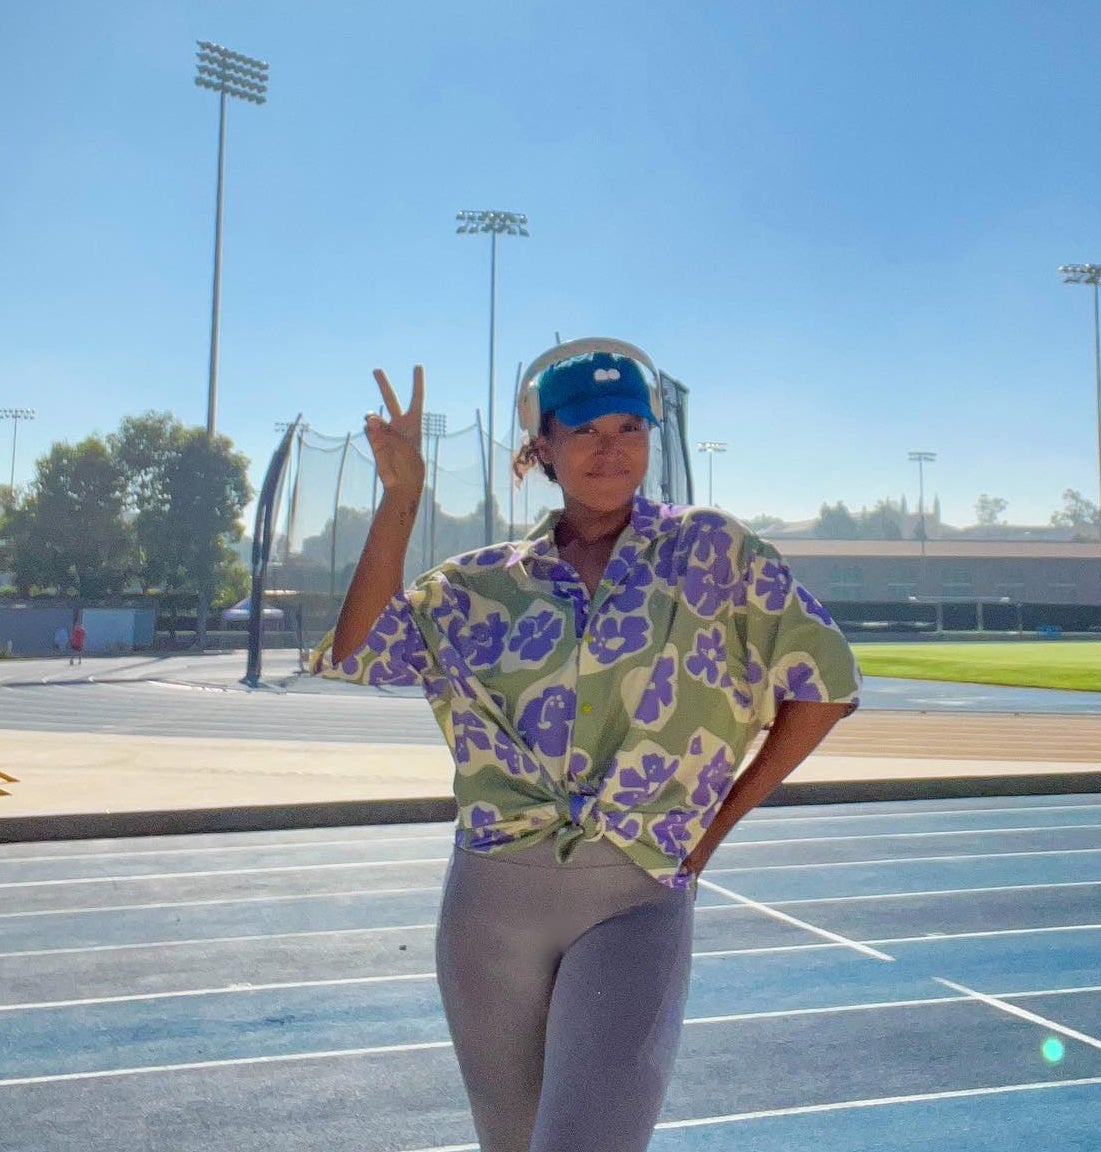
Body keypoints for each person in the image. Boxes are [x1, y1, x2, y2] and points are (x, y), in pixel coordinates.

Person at [312, 337, 861, 1152]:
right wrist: (402, 496)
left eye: (629, 427)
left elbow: (826, 684)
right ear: (542, 447)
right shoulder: (482, 583)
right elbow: (358, 650)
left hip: (634, 897)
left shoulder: (712, 552)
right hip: (490, 904)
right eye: (585, 431)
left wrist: (713, 830)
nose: (611, 449)